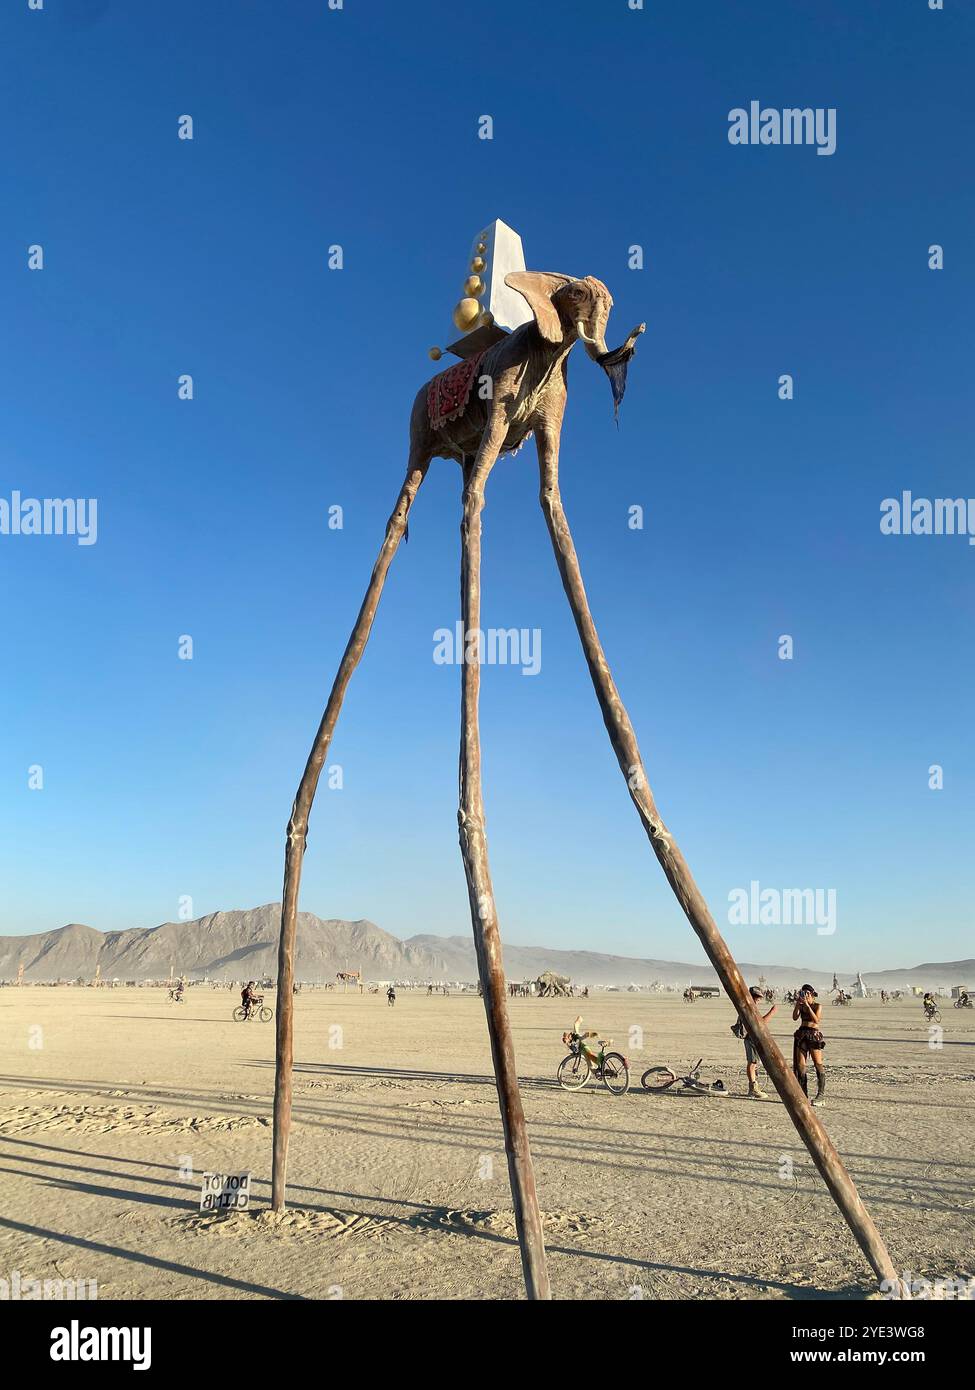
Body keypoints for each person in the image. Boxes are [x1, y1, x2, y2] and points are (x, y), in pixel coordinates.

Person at [733, 985, 777, 1099]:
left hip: (751, 1037)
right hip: (750, 1038)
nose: (758, 999)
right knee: (752, 1063)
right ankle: (753, 1088)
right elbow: (760, 1023)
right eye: (757, 997)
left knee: (754, 1063)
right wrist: (772, 1012)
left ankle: (754, 1086)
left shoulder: (747, 1006)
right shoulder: (749, 1007)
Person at [792, 984, 826, 1106]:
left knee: (818, 1063)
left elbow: (816, 1020)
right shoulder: (801, 1006)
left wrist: (807, 1006)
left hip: (813, 1034)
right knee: (801, 1065)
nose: (805, 995)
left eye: (807, 993)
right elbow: (795, 1017)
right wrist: (798, 1005)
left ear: (812, 995)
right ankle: (803, 1093)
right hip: (802, 1033)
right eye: (803, 993)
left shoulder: (817, 1006)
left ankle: (821, 1095)